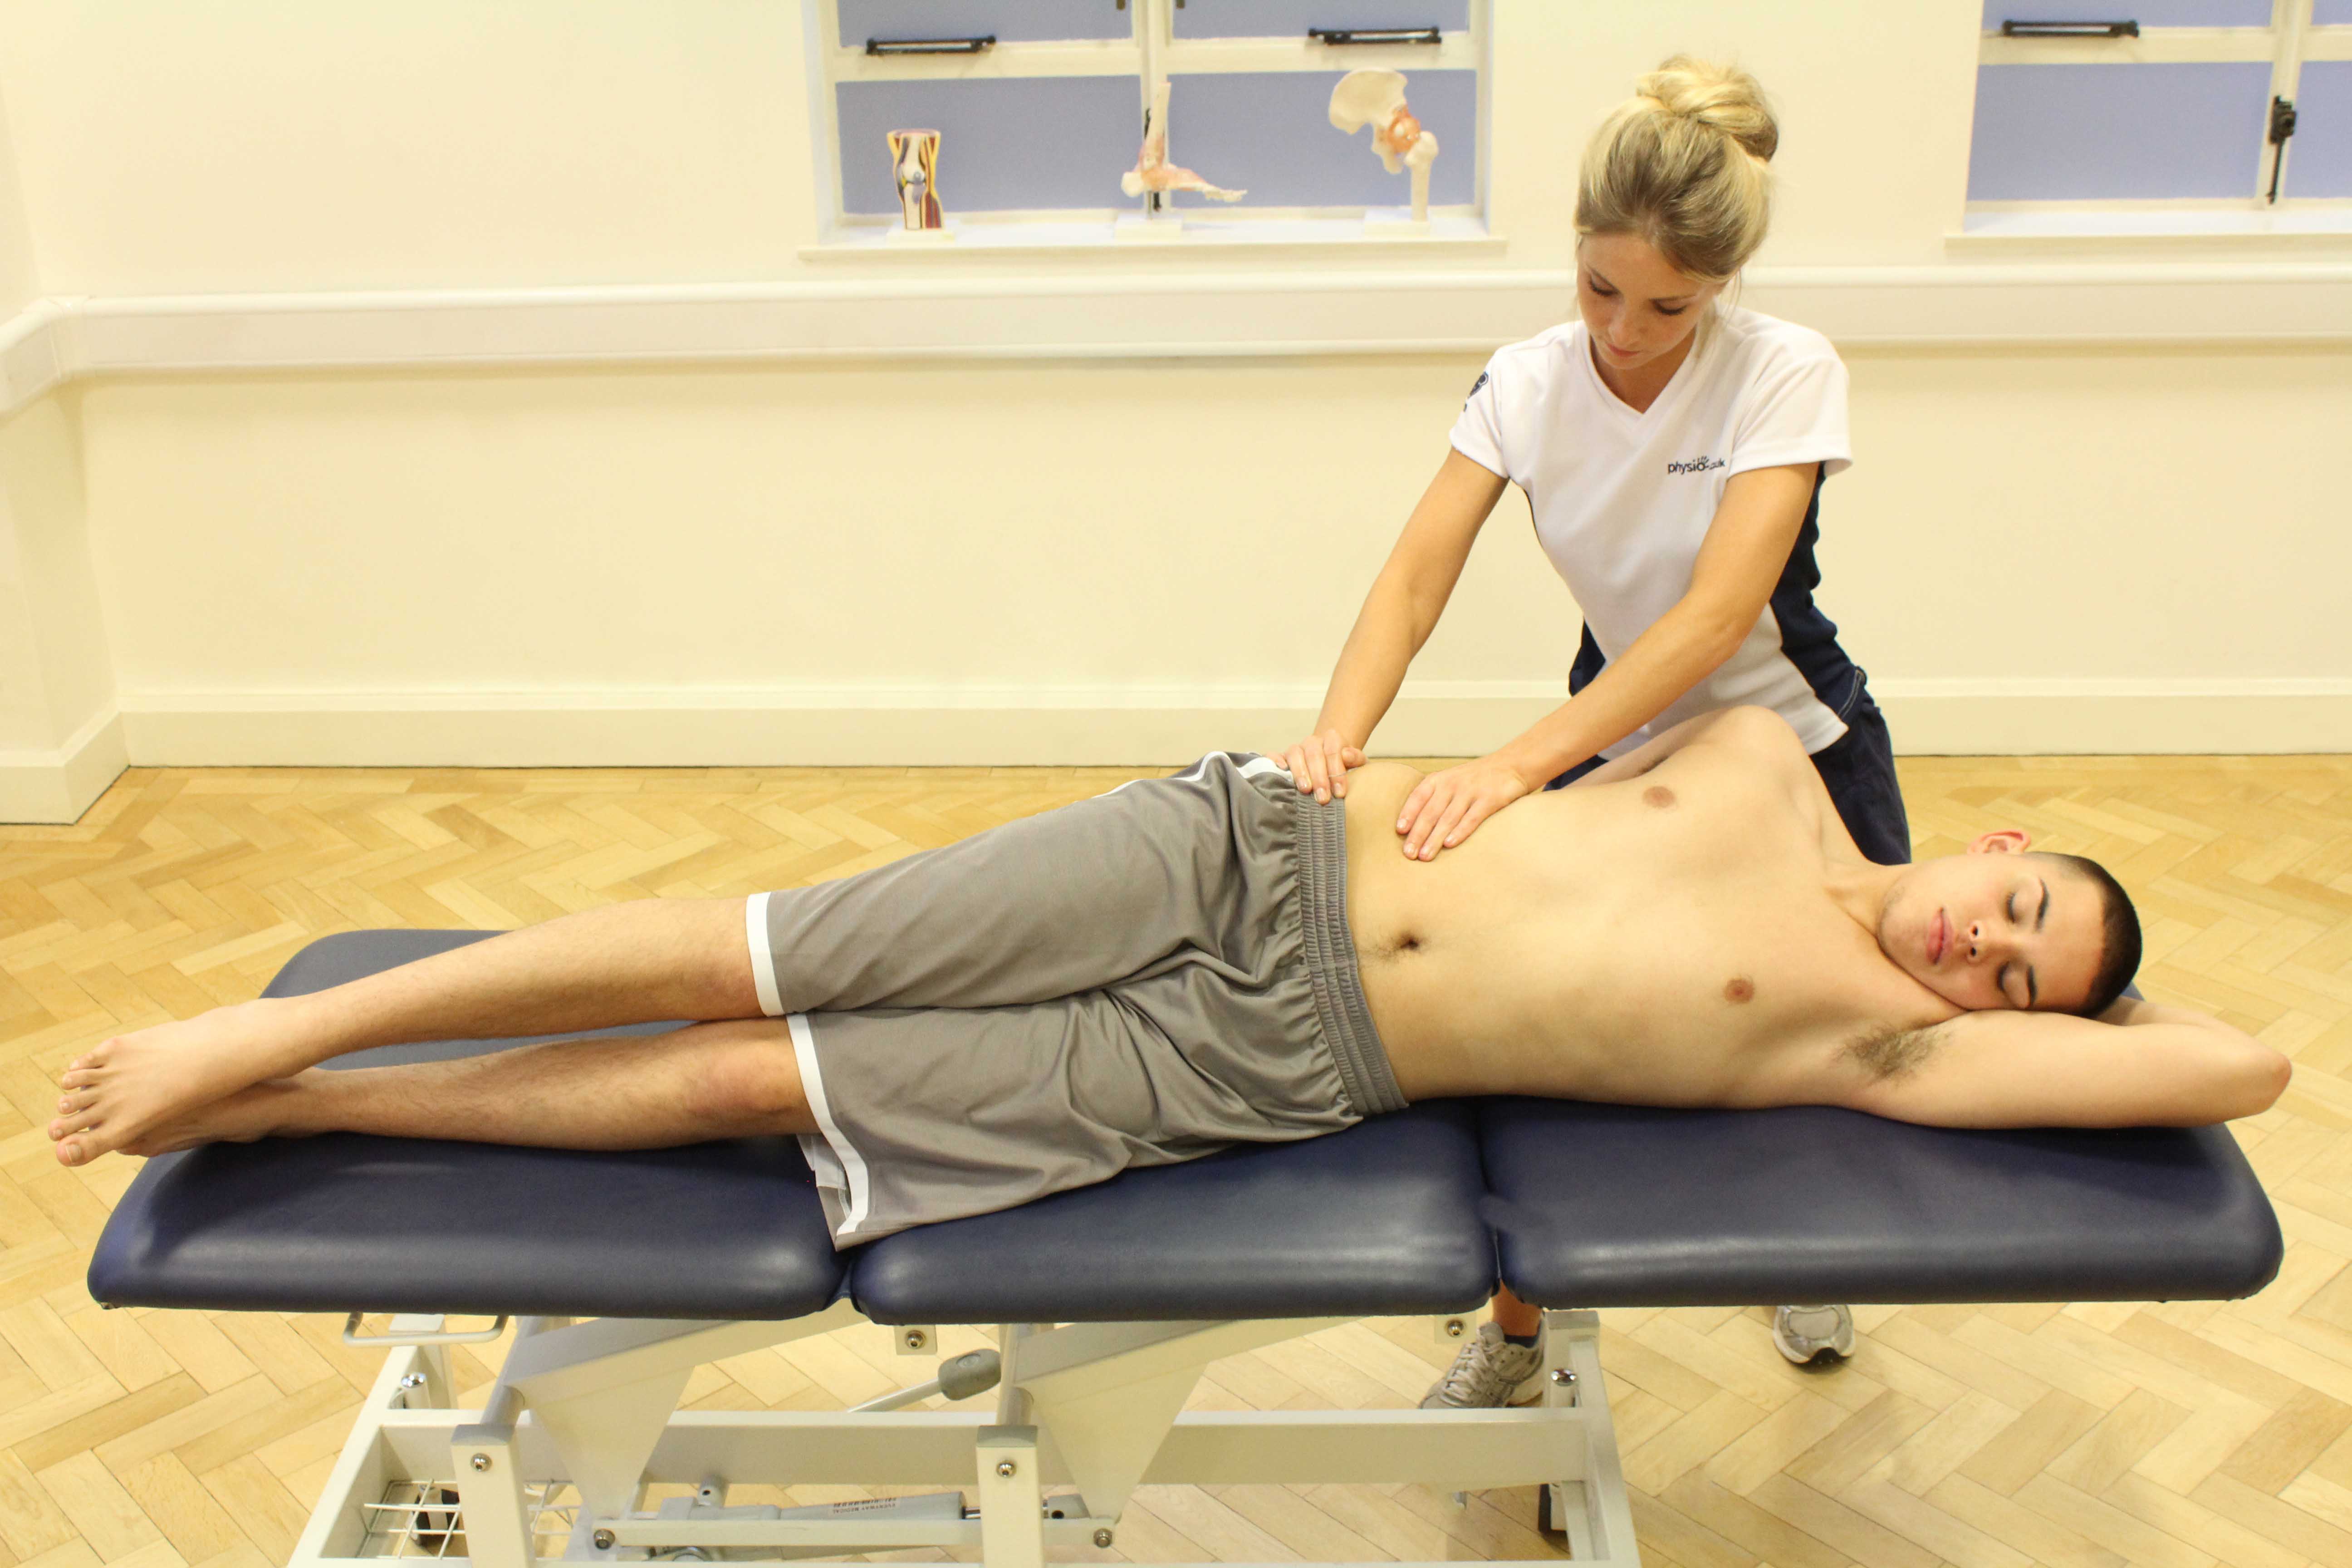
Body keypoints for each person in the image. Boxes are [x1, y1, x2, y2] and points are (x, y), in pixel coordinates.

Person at [50, 709, 2286, 1259]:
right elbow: (1620, 608)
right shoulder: (1754, 755)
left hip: (1270, 1050)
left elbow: (2250, 1063)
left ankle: (308, 1111)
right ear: (1995, 846)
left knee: (765, 1077)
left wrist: (2062, 1029)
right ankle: (304, 1023)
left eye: (2028, 977)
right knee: (772, 935)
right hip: (1233, 846)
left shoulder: (1890, 1050)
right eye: (2023, 905)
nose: (1987, 949)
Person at [1284, 57, 1907, 1382]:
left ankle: (1813, 1262)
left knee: (1831, 1049)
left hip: (1801, 751)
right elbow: (1415, 574)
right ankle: (1522, 1334)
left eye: (1667, 305)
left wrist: (1512, 770)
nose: (1624, 330)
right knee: (1547, 1039)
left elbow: (1705, 624)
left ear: (1723, 285)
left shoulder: (1782, 371)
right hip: (1622, 743)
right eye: (1599, 288)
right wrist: (1335, 737)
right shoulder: (1525, 380)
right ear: (1574, 252)